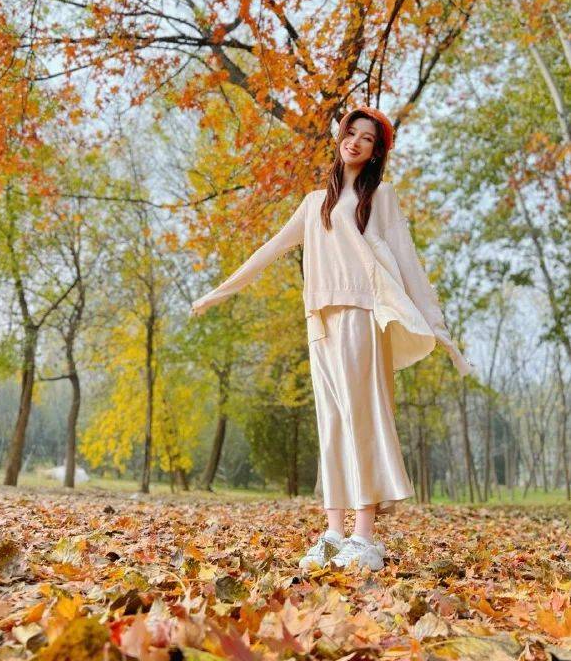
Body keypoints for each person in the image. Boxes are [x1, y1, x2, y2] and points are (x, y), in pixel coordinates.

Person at [190, 106, 470, 574]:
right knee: (332, 423)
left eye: (367, 138)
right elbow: (268, 250)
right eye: (350, 132)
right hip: (319, 321)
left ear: (377, 150)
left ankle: (365, 536)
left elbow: (408, 262)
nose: (355, 142)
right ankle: (333, 533)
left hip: (363, 317)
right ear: (340, 139)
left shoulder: (381, 198)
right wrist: (218, 293)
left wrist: (439, 331)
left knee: (363, 417)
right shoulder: (312, 202)